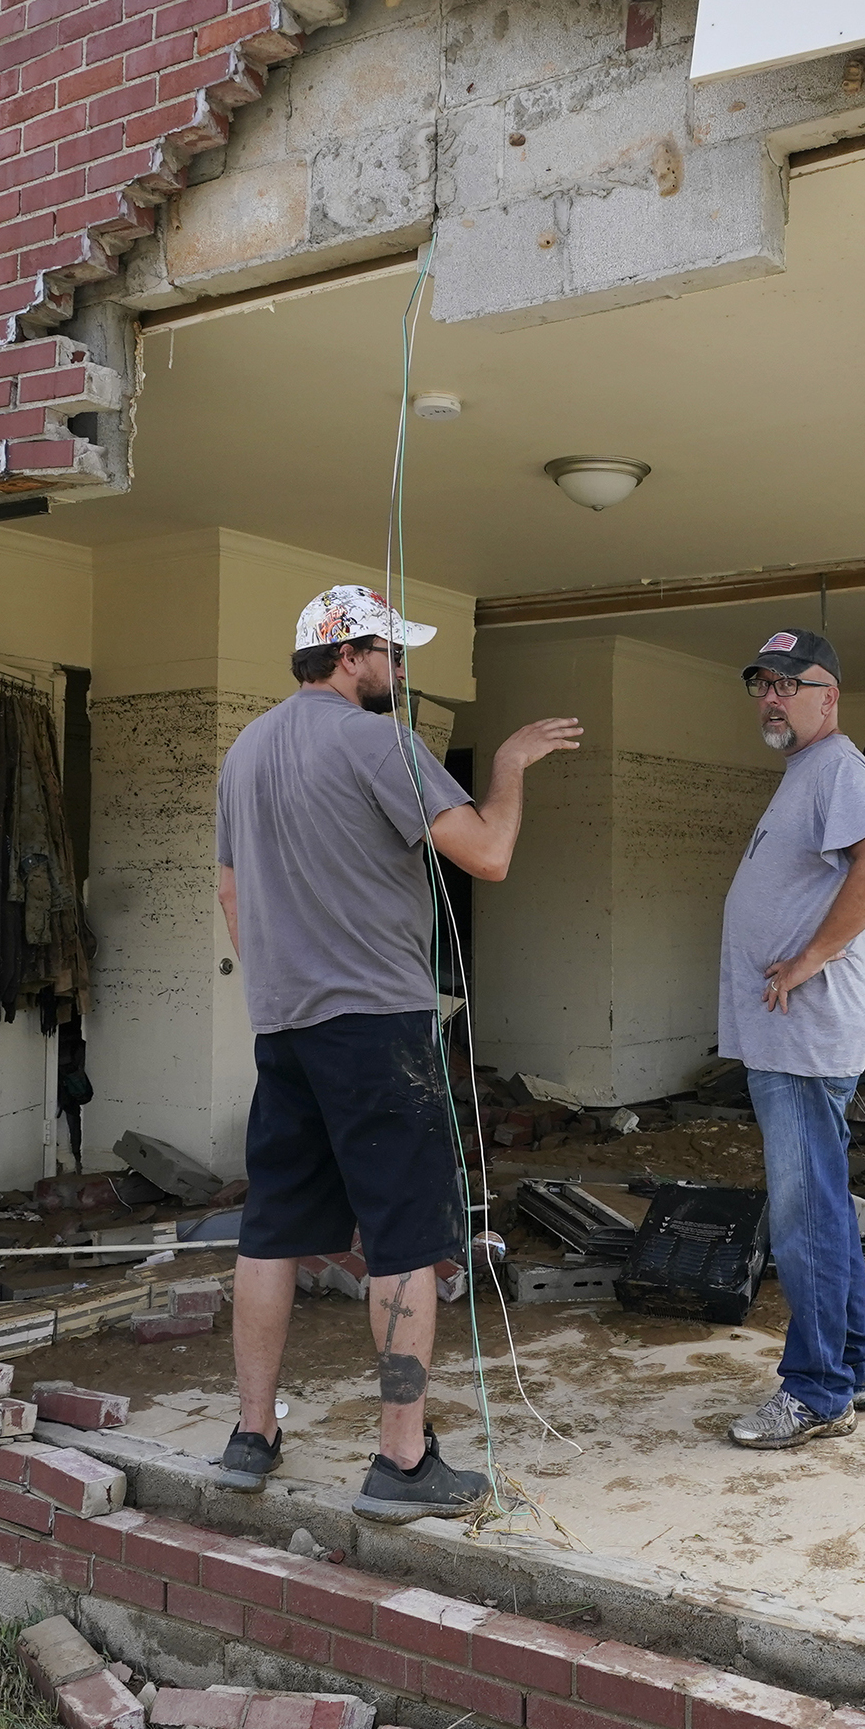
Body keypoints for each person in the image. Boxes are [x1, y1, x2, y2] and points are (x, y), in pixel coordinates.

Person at [213, 583, 582, 1520]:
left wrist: (282, 983)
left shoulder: (246, 751)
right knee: (406, 1242)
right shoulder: (378, 740)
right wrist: (507, 764)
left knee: (272, 1234)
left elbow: (230, 894)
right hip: (377, 1025)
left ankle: (251, 1438)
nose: (401, 669)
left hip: (283, 1026)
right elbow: (488, 854)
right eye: (392, 653)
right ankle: (402, 1462)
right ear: (348, 655)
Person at [718, 629, 865, 1449]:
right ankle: (857, 1367)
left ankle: (816, 1391)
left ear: (829, 697)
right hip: (787, 1039)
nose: (772, 696)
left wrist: (811, 957)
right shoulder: (806, 773)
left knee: (804, 1221)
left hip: (802, 1040)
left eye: (789, 685)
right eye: (762, 684)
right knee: (823, 1209)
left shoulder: (835, 768)